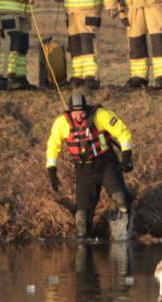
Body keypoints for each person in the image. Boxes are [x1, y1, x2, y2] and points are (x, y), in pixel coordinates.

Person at [45, 92, 134, 240]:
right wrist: (52, 170)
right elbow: (52, 146)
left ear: (86, 109)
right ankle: (85, 242)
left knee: (121, 199)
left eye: (81, 112)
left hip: (106, 164)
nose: (79, 116)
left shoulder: (100, 116)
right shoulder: (62, 124)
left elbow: (123, 132)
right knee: (81, 219)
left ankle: (124, 232)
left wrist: (126, 156)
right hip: (84, 169)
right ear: (70, 111)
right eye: (75, 112)